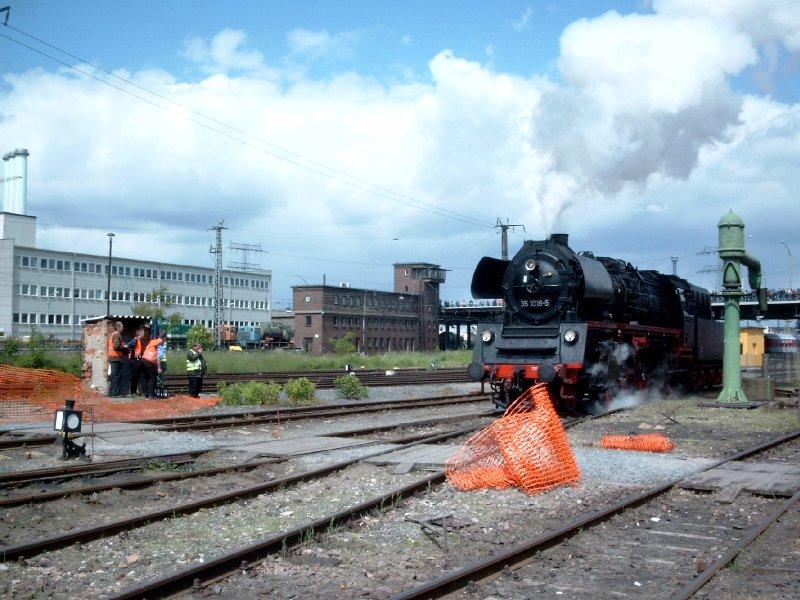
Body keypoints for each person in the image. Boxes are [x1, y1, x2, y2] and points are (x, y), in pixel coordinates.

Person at [140, 331, 164, 398]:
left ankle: (145, 394)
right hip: (150, 361)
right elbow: (158, 356)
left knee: (145, 377)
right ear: (164, 338)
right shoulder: (160, 343)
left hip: (143, 359)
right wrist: (159, 368)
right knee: (152, 378)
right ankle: (151, 395)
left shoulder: (153, 341)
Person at [107, 321, 126, 397]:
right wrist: (124, 347)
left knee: (114, 375)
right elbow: (116, 347)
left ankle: (112, 392)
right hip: (116, 358)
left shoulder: (114, 334)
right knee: (116, 376)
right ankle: (114, 393)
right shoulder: (116, 335)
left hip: (114, 357)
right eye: (122, 326)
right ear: (118, 327)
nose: (123, 328)